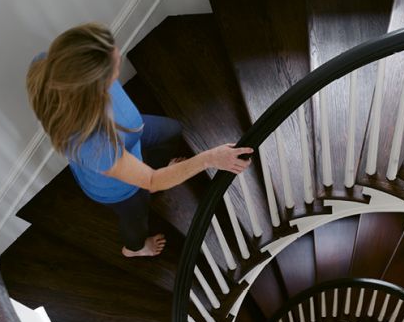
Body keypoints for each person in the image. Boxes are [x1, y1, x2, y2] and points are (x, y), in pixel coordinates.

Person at [26, 23, 253, 258]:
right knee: (136, 218)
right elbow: (152, 180)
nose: (119, 59)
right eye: (113, 66)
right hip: (120, 189)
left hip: (130, 135)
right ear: (93, 85)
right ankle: (134, 249)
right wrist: (210, 158)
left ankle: (161, 169)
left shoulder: (50, 65)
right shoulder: (93, 144)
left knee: (172, 131)